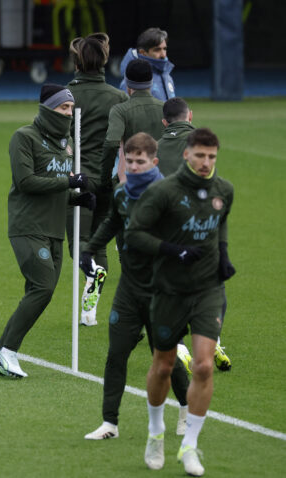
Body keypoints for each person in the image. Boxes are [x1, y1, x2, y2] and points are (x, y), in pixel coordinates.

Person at [125, 128, 235, 476]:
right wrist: (172, 250)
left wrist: (223, 255)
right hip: (169, 290)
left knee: (203, 366)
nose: (206, 163)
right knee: (164, 366)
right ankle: (155, 433)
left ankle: (189, 445)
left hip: (207, 289)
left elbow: (221, 223)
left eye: (212, 157)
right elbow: (134, 234)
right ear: (186, 154)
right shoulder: (163, 192)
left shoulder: (224, 191)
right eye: (200, 155)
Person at [80, 133, 189, 440]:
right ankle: (109, 423)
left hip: (161, 292)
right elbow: (112, 222)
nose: (135, 166)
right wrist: (90, 249)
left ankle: (185, 409)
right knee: (116, 353)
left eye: (141, 161)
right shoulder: (121, 193)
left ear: (153, 162)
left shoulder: (170, 195)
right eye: (130, 161)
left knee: (165, 357)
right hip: (129, 290)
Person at [0, 84, 96, 378]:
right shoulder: (24, 137)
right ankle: (8, 352)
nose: (68, 114)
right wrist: (69, 184)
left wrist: (77, 198)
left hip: (54, 228)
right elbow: (26, 182)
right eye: (63, 108)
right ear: (48, 109)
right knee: (43, 287)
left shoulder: (69, 143)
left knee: (39, 291)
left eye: (71, 109)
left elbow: (58, 187)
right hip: (27, 226)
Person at [157, 98, 232, 372]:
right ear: (190, 115)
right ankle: (212, 342)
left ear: (164, 122)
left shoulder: (155, 146)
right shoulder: (201, 145)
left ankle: (179, 347)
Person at [65, 33, 129, 326]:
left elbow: (57, 140)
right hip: (110, 180)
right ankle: (89, 311)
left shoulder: (66, 97)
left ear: (77, 63)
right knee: (100, 244)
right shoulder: (118, 97)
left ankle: (91, 275)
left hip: (79, 179)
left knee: (79, 242)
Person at [100, 59, 165, 190]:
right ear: (151, 82)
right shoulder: (165, 108)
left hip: (132, 181)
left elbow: (112, 143)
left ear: (127, 84)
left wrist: (105, 178)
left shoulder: (120, 110)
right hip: (160, 180)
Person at [118, 27, 175, 101]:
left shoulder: (167, 76)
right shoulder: (132, 81)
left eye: (164, 49)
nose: (163, 55)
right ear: (143, 53)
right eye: (157, 50)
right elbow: (129, 111)